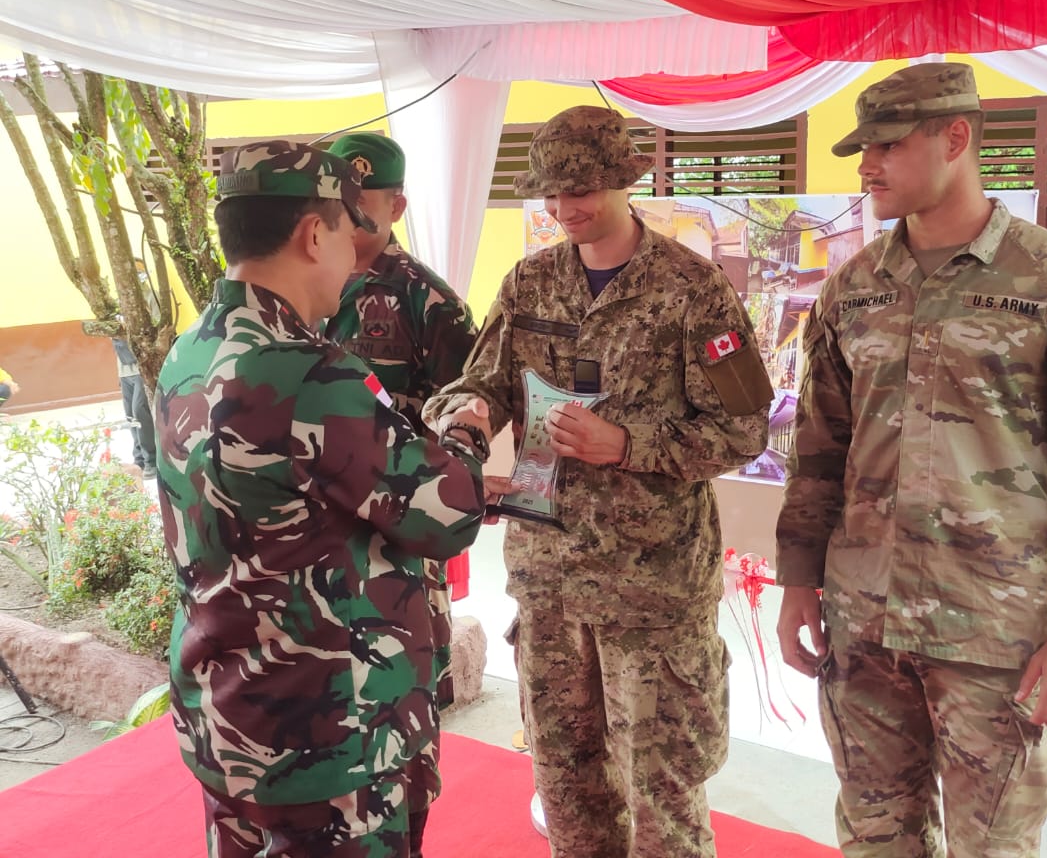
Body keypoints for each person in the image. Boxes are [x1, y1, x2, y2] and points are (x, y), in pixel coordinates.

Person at [774, 62, 1047, 858]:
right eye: (862, 148)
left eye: (887, 145)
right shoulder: (852, 290)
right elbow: (818, 451)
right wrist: (797, 581)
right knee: (875, 839)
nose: (866, 165)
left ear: (956, 138)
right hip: (864, 625)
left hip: (993, 641)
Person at [423, 106, 773, 858]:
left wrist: (626, 445)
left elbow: (745, 429)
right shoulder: (530, 283)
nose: (563, 208)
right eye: (550, 193)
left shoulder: (692, 290)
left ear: (623, 179)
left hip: (652, 595)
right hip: (549, 584)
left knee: (663, 804)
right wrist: (471, 417)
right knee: (569, 796)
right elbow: (480, 382)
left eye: (579, 190)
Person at [153, 140, 491, 858]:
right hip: (326, 736)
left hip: (227, 716)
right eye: (347, 231)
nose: (354, 256)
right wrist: (465, 432)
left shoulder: (190, 351)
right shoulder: (306, 374)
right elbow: (450, 513)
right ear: (314, 234)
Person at [323, 131, 478, 712]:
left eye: (365, 202)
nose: (350, 215)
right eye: (339, 201)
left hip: (399, 522)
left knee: (407, 676)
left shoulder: (429, 301)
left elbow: (464, 410)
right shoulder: (299, 283)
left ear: (398, 206)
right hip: (320, 518)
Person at [111, 337, 157, 478]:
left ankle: (152, 461)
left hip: (140, 369)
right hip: (124, 372)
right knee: (131, 416)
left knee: (140, 413)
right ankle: (139, 460)